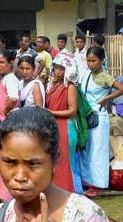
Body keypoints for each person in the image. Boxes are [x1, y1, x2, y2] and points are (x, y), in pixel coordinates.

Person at [80, 47, 123, 197]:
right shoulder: (86, 74)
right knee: (87, 149)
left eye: (94, 61)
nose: (91, 64)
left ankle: (98, 184)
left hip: (99, 115)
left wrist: (106, 98)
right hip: (87, 114)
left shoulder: (105, 77)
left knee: (98, 151)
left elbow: (122, 89)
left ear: (101, 61)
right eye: (88, 61)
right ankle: (88, 180)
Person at [0, 49, 20, 201]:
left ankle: (6, 194)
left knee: (5, 158)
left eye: (2, 62)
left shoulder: (10, 79)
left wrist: (4, 113)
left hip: (6, 124)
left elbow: (13, 98)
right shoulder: (5, 79)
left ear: (10, 64)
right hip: (1, 124)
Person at [46, 53, 78, 193]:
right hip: (54, 126)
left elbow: (72, 110)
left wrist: (52, 113)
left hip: (66, 127)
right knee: (54, 161)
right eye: (56, 68)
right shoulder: (53, 85)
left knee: (65, 162)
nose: (58, 72)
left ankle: (68, 191)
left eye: (62, 68)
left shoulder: (70, 86)